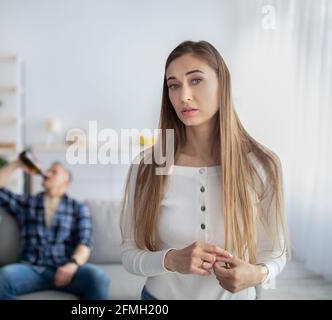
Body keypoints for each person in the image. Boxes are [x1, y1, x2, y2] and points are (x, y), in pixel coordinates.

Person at [120, 40, 290, 300]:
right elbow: (129, 254)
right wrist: (171, 260)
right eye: (174, 85)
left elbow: (275, 253)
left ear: (223, 84)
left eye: (196, 80)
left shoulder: (262, 165)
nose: (183, 95)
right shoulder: (146, 167)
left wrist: (257, 275)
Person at [0, 159, 110, 300]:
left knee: (98, 277)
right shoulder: (27, 203)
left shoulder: (78, 207)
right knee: (2, 277)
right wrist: (19, 163)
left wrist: (72, 265)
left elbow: (85, 242)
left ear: (65, 181)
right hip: (31, 269)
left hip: (66, 268)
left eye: (54, 171)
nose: (47, 173)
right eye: (48, 170)